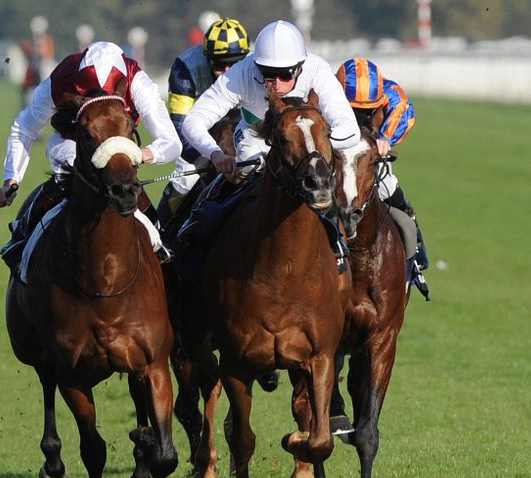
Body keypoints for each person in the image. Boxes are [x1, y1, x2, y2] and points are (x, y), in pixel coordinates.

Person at [0, 41, 181, 269]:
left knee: (129, 191)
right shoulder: (62, 78)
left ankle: (158, 245)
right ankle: (22, 238)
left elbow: (171, 142)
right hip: (71, 143)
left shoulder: (137, 82)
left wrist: (142, 154)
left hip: (121, 148)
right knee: (74, 179)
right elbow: (24, 128)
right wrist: (11, 179)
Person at [178, 20, 360, 242]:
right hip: (255, 135)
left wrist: (311, 144)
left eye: (285, 75)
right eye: (267, 74)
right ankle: (199, 231)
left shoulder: (318, 70)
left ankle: (339, 244)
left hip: (308, 144)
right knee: (245, 164)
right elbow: (193, 120)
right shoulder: (241, 73)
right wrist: (215, 154)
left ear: (300, 67)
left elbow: (350, 130)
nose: (276, 84)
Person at [336, 57, 429, 299]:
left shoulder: (392, 94)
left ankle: (415, 263)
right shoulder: (327, 92)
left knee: (393, 193)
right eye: (353, 111)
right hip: (335, 161)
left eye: (367, 113)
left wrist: (385, 138)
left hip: (368, 160)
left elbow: (404, 112)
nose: (360, 118)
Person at [158, 17, 250, 231]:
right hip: (201, 136)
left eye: (234, 64)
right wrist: (211, 157)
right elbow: (180, 127)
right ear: (207, 59)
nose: (227, 72)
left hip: (244, 130)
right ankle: (162, 237)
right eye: (219, 65)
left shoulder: (255, 66)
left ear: (244, 59)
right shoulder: (185, 69)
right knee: (183, 184)